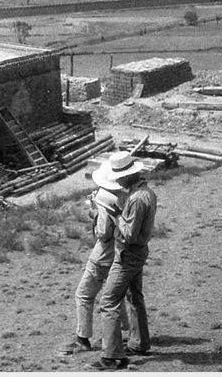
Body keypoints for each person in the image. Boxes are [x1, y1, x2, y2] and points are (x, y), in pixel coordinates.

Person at [87, 151, 157, 371]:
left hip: (127, 254)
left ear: (128, 176)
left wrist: (116, 213)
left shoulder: (136, 199)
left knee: (108, 302)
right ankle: (139, 343)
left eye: (119, 176)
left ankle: (112, 356)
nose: (116, 180)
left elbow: (128, 234)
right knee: (135, 297)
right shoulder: (147, 193)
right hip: (137, 252)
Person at [58, 157, 131, 356]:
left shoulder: (102, 197)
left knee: (83, 294)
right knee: (116, 295)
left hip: (102, 256)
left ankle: (83, 338)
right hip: (119, 255)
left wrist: (94, 210)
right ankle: (126, 331)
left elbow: (103, 232)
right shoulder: (124, 196)